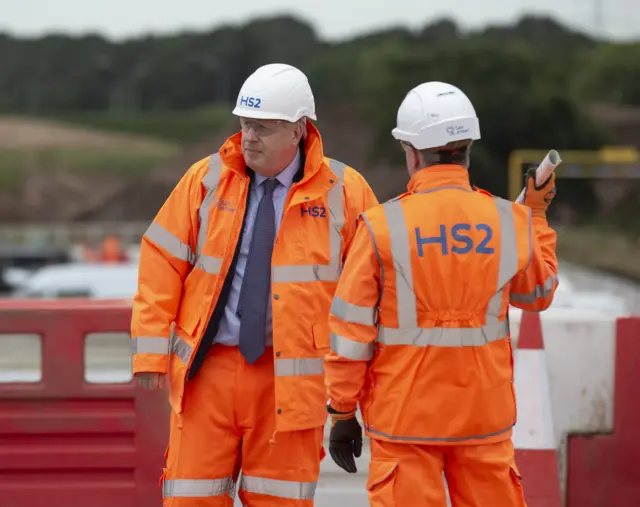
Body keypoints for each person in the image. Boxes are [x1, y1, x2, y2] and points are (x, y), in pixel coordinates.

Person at [130, 62, 379, 507]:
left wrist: (354, 392)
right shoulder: (205, 181)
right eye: (245, 125)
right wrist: (150, 351)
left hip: (292, 382)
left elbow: (371, 292)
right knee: (191, 498)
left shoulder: (346, 191)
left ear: (299, 130)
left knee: (280, 501)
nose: (249, 138)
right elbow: (161, 262)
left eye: (263, 128)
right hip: (209, 374)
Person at [323, 81, 559, 506]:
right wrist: (536, 216)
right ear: (467, 147)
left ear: (412, 152)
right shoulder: (511, 221)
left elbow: (350, 332)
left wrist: (342, 411)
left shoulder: (381, 227)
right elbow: (538, 294)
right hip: (483, 421)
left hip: (404, 422)